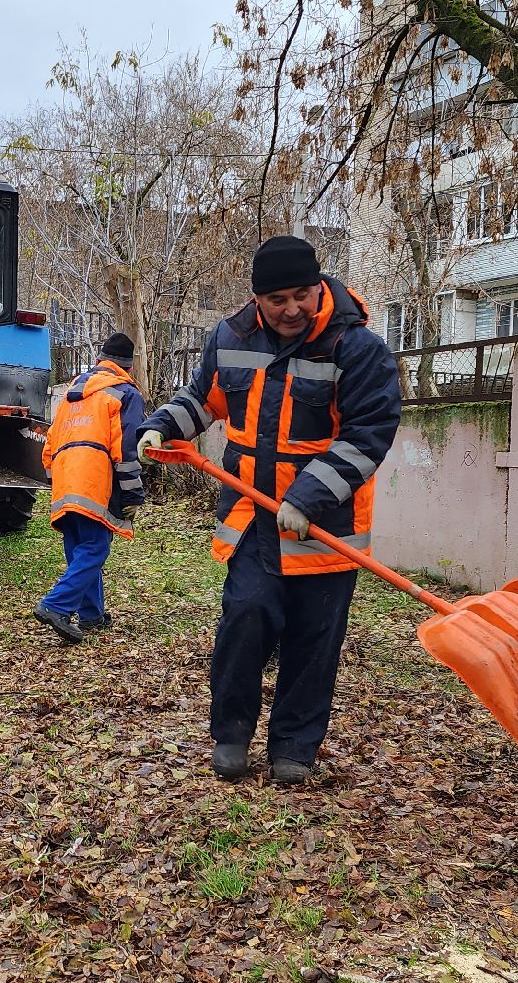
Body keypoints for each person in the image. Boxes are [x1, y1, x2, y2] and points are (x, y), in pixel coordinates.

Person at [137, 236, 401, 784]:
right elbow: (202, 400)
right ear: (258, 299)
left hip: (326, 527)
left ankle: (294, 749)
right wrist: (161, 426)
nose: (292, 310)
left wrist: (309, 497)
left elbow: (367, 434)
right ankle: (231, 735)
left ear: (318, 287)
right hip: (252, 518)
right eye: (277, 299)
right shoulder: (230, 337)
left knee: (314, 638)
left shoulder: (357, 348)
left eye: (302, 295)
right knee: (246, 619)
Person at [34, 332, 147, 644]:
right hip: (94, 477)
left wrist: (53, 477)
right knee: (95, 548)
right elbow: (126, 447)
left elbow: (51, 438)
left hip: (65, 475)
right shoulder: (125, 393)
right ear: (129, 366)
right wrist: (134, 491)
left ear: (100, 359)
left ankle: (91, 615)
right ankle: (56, 606)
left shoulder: (74, 392)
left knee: (79, 546)